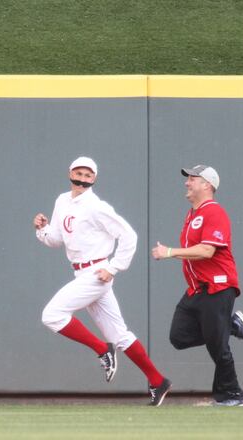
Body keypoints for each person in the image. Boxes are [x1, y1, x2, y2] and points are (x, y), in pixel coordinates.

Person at [34, 156, 171, 406]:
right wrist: (42, 230)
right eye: (79, 173)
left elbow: (129, 235)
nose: (82, 179)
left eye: (88, 175)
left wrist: (114, 267)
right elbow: (56, 239)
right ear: (70, 172)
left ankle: (101, 349)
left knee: (51, 315)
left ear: (94, 179)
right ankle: (157, 380)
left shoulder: (96, 206)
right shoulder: (62, 201)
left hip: (97, 273)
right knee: (120, 335)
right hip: (81, 272)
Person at [151, 164, 243, 407]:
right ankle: (231, 323)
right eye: (188, 178)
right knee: (179, 337)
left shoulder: (214, 212)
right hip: (196, 289)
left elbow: (207, 250)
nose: (187, 182)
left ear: (207, 185)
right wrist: (172, 253)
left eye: (193, 178)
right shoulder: (192, 215)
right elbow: (194, 253)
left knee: (217, 345)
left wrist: (169, 252)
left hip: (218, 286)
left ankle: (232, 395)